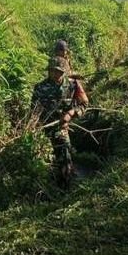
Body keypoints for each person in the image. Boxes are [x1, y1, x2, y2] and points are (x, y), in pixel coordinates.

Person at [31, 56, 89, 187]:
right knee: (46, 159)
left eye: (58, 71)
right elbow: (34, 111)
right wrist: (33, 127)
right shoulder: (40, 88)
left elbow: (84, 103)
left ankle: (66, 185)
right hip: (44, 128)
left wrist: (71, 113)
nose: (54, 74)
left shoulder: (73, 85)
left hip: (61, 127)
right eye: (52, 71)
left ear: (64, 72)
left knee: (64, 152)